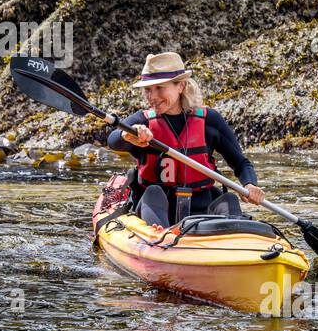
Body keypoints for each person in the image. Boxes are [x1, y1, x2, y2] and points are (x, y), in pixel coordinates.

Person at [106, 51, 265, 228]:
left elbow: (241, 163)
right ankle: (159, 241)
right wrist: (127, 135)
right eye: (148, 90)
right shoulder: (142, 121)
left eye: (160, 88)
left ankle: (232, 237)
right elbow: (113, 140)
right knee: (153, 192)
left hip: (202, 209)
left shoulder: (209, 121)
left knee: (229, 199)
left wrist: (250, 185)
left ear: (180, 86)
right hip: (156, 209)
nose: (152, 97)